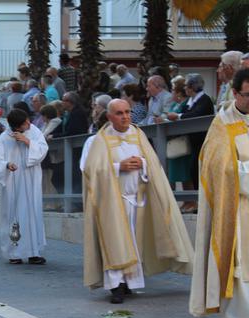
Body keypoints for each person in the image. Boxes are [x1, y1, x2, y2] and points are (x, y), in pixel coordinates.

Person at [82, 99, 193, 304]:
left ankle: (130, 283)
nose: (125, 117)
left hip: (137, 200)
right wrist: (118, 167)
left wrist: (141, 163)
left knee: (133, 243)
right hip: (113, 204)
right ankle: (116, 286)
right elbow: (92, 172)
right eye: (119, 113)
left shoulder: (138, 134)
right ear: (109, 116)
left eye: (127, 112)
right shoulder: (101, 140)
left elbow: (152, 163)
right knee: (116, 243)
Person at [190, 68, 249, 318]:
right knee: (241, 264)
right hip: (237, 208)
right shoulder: (222, 123)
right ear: (235, 93)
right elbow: (217, 166)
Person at [0, 109, 48, 265]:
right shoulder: (4, 138)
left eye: (28, 120)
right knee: (14, 216)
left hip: (31, 180)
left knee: (32, 214)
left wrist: (28, 142)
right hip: (13, 182)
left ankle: (33, 253)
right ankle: (14, 253)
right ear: (16, 126)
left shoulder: (34, 132)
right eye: (24, 123)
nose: (29, 123)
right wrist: (6, 165)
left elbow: (43, 150)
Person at [167, 73, 215, 213]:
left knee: (197, 170)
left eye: (187, 86)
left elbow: (196, 115)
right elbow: (186, 110)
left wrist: (178, 116)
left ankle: (201, 203)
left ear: (193, 87)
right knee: (193, 170)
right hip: (193, 141)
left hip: (202, 142)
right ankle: (198, 203)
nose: (185, 88)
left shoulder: (204, 100)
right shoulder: (192, 100)